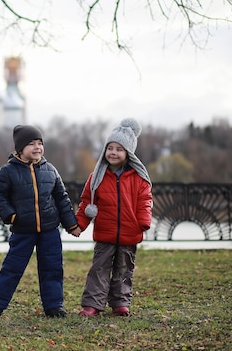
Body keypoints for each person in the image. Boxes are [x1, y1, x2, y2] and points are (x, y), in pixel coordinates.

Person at [0, 125, 82, 318]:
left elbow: (62, 198)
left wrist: (71, 224)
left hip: (50, 229)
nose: (37, 147)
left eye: (40, 143)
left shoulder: (50, 170)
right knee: (12, 267)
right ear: (20, 149)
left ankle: (54, 306)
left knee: (52, 267)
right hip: (23, 230)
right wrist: (10, 216)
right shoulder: (8, 171)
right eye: (31, 144)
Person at [76, 118, 153, 317]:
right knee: (99, 269)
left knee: (123, 270)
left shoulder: (137, 177)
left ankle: (120, 302)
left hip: (129, 232)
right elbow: (87, 202)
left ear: (128, 153)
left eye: (119, 149)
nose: (113, 152)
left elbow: (145, 199)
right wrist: (79, 225)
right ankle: (92, 304)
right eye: (110, 147)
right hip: (105, 233)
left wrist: (143, 221)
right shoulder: (97, 177)